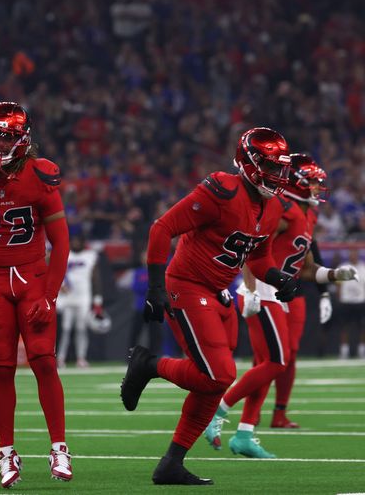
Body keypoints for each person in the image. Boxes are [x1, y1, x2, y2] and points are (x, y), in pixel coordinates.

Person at [121, 128, 300, 485]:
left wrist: (279, 278)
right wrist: (155, 286)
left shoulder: (271, 205)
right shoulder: (222, 188)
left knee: (212, 383)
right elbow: (162, 228)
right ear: (248, 162)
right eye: (269, 166)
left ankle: (172, 463)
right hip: (187, 285)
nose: (277, 176)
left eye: (281, 168)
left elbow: (259, 257)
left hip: (219, 291)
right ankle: (149, 364)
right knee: (220, 373)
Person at [205, 154, 360, 457]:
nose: (318, 187)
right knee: (277, 362)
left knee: (267, 365)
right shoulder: (281, 208)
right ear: (300, 184)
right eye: (314, 182)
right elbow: (253, 250)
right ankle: (218, 411)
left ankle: (245, 434)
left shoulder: (306, 215)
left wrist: (332, 276)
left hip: (277, 292)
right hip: (261, 290)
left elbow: (304, 266)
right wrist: (249, 289)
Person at [0, 102, 72, 487]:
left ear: (24, 140)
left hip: (33, 276)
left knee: (44, 361)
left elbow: (62, 245)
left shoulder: (40, 174)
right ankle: (6, 451)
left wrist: (50, 294)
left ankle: (59, 447)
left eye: (7, 137)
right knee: (1, 368)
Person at [57, 233, 103, 368]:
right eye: (73, 241)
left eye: (78, 241)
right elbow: (55, 270)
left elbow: (96, 278)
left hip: (83, 297)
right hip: (66, 297)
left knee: (81, 328)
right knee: (65, 328)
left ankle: (81, 358)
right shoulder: (65, 254)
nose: (75, 243)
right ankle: (60, 358)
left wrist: (97, 300)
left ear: (83, 243)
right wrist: (60, 285)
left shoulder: (90, 256)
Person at [337, 248, 365, 359]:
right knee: (344, 327)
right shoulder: (342, 267)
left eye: (354, 254)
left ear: (357, 255)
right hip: (346, 301)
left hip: (360, 301)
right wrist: (339, 298)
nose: (352, 256)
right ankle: (344, 350)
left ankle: (362, 350)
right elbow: (338, 285)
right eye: (351, 254)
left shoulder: (363, 268)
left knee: (362, 327)